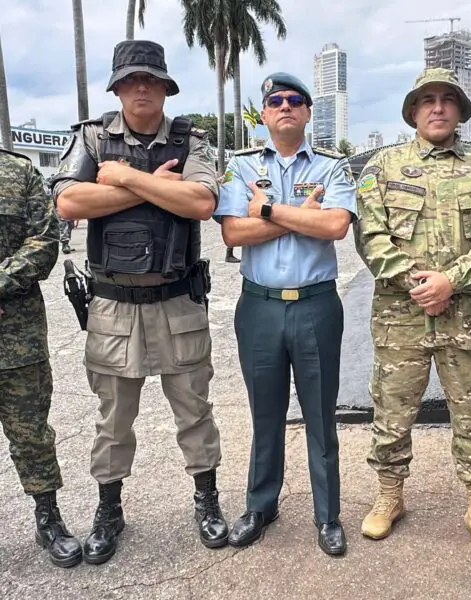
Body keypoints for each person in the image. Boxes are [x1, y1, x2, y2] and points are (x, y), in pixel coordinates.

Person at [51, 40, 228, 564]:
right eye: (131, 80)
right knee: (112, 420)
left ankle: (207, 500)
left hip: (178, 300)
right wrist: (156, 186)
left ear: (166, 86)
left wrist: (126, 177)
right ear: (118, 88)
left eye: (151, 79)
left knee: (195, 411)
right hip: (112, 306)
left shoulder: (189, 140)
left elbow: (200, 202)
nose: (142, 87)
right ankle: (110, 511)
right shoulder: (90, 138)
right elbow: (68, 200)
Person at [354, 68, 471, 558]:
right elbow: (370, 236)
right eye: (427, 100)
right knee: (392, 412)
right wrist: (417, 282)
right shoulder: (384, 167)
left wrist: (453, 279)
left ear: (461, 110)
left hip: (467, 317)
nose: (438, 107)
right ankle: (389, 495)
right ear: (413, 111)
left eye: (448, 99)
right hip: (401, 319)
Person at [214, 72, 356, 556]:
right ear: (265, 113)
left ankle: (327, 514)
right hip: (260, 308)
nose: (286, 106)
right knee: (265, 412)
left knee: (320, 413)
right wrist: (301, 217)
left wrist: (269, 210)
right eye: (276, 100)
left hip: (317, 305)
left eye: (296, 100)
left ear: (309, 112)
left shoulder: (334, 167)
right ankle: (261, 505)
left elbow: (335, 225)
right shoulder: (240, 166)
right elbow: (233, 233)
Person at [0, 148, 82, 567]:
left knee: (31, 434)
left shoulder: (18, 172)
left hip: (16, 336)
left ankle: (47, 518)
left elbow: (45, 239)